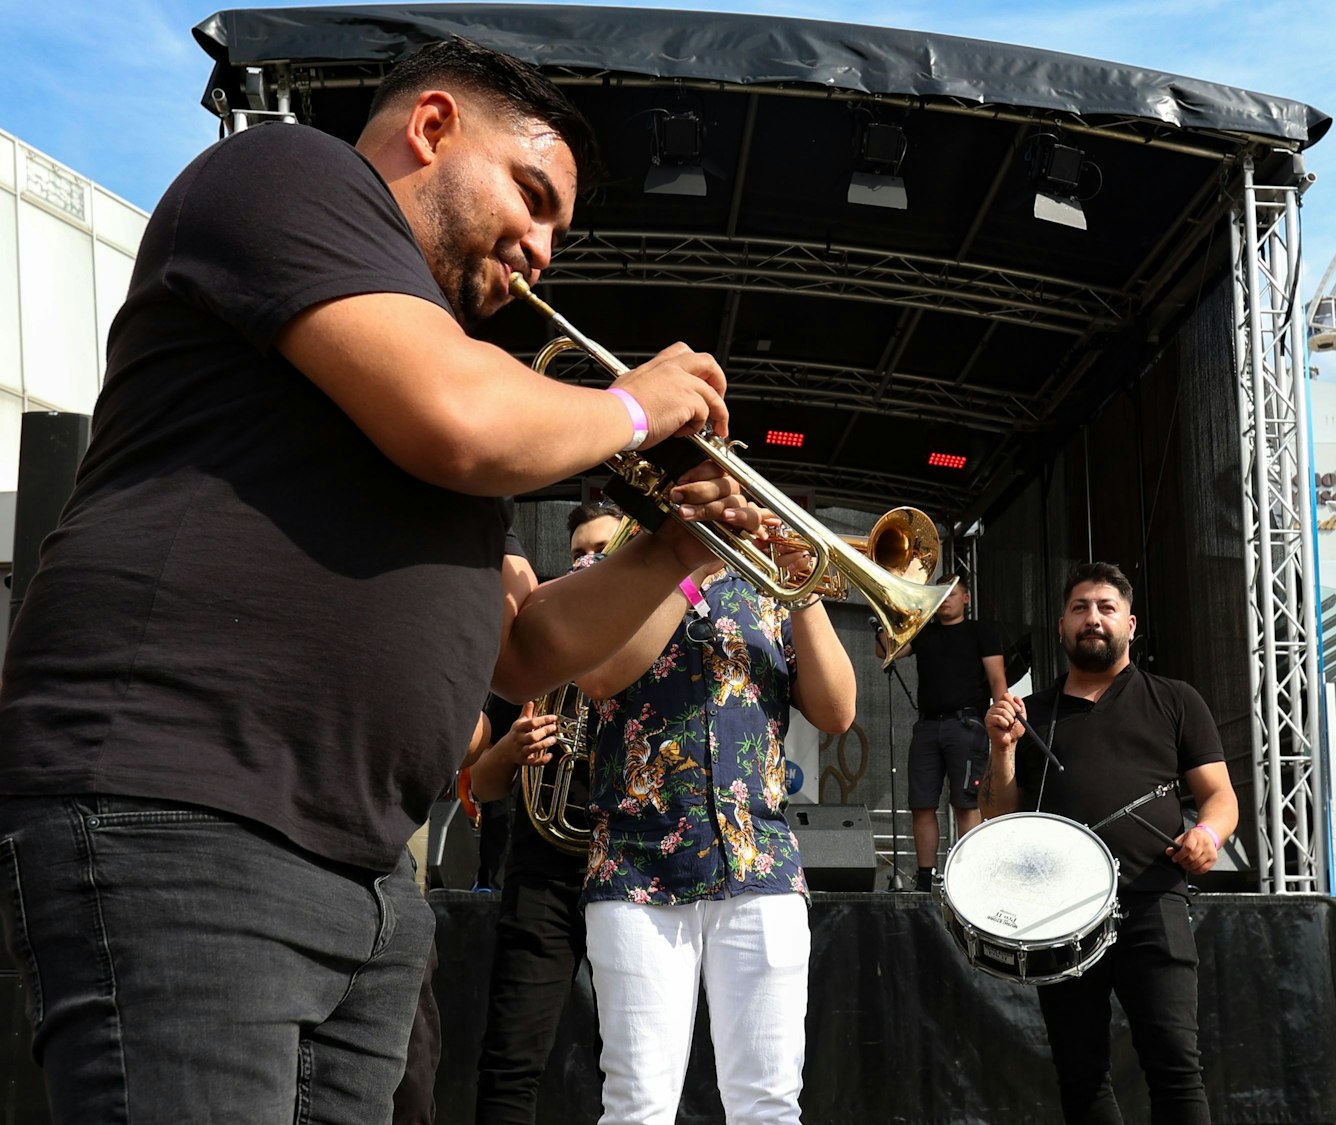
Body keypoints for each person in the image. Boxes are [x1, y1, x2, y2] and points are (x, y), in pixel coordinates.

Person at [0, 38, 760, 1122]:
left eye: (556, 230)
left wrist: (682, 548)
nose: (543, 248)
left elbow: (521, 651)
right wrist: (638, 404)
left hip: (358, 870)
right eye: (532, 197)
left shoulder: (455, 363)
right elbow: (456, 422)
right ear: (433, 126)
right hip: (190, 815)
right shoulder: (289, 173)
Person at [571, 535, 856, 1122]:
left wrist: (803, 587)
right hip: (637, 866)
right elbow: (601, 676)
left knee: (770, 1105)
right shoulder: (606, 565)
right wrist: (691, 563)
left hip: (761, 865)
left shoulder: (768, 584)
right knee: (637, 1107)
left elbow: (837, 711)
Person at [981, 561, 1239, 1125]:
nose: (1092, 619)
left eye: (1105, 608)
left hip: (1154, 902)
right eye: (1079, 608)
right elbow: (998, 821)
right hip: (1060, 913)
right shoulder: (1031, 715)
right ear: (1060, 626)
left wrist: (1206, 833)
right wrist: (1001, 748)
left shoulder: (1175, 700)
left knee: (1175, 1066)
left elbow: (1220, 796)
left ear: (1130, 623)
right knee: (1081, 1076)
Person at [468, 500, 619, 1125]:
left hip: (628, 877)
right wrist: (508, 751)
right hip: (541, 878)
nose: (589, 561)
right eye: (580, 551)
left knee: (634, 1064)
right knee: (509, 1063)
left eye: (604, 550)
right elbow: (482, 783)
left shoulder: (663, 643)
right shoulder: (539, 640)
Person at [877, 577, 1008, 891]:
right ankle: (924, 879)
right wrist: (888, 609)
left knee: (966, 803)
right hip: (927, 725)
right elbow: (885, 650)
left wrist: (1003, 719)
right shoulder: (924, 632)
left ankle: (971, 879)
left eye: (952, 593)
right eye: (940, 595)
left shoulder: (981, 632)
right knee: (921, 804)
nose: (945, 599)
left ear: (966, 598)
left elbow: (997, 680)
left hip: (967, 724)